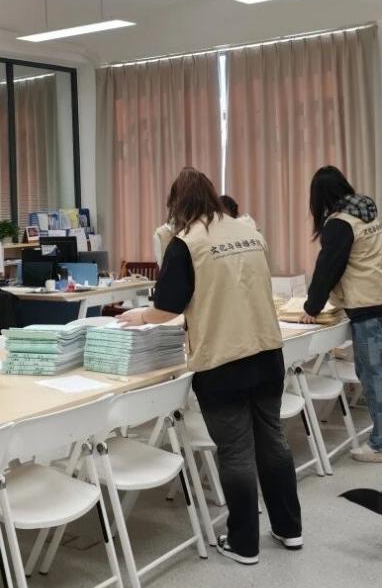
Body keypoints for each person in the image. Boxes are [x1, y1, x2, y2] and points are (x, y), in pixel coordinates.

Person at [118, 168, 301, 565]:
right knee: (273, 442)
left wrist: (139, 316)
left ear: (176, 204)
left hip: (223, 361)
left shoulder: (187, 243)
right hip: (268, 352)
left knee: (235, 450)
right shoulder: (249, 231)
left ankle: (244, 543)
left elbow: (167, 308)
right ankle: (289, 529)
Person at [301, 165, 382, 463]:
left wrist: (311, 307)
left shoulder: (339, 223)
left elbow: (328, 268)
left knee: (375, 375)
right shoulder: (366, 212)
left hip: (369, 306)